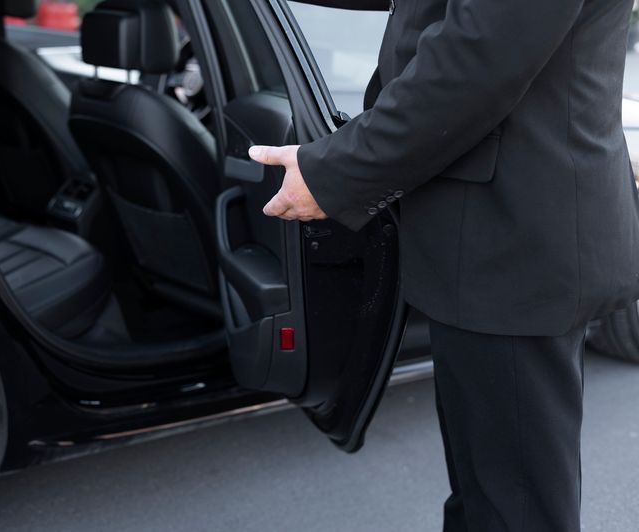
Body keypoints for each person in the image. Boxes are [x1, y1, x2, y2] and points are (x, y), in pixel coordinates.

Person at [248, 0, 639, 530]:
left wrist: (333, 174)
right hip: (496, 238)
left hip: (511, 246)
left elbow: (474, 60)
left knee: (512, 510)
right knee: (485, 497)